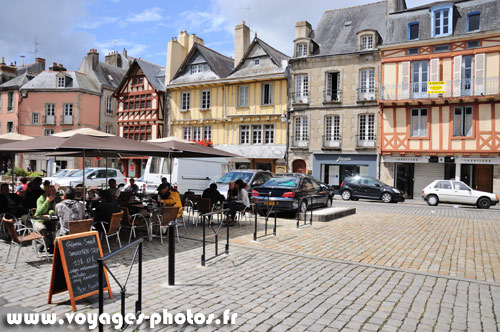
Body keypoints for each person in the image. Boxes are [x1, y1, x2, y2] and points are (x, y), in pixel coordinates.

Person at [33, 185, 62, 253]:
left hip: (53, 221)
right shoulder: (41, 199)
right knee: (41, 229)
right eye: (49, 191)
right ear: (46, 191)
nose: (51, 193)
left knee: (60, 228)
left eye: (53, 191)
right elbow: (39, 212)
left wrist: (51, 212)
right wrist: (47, 201)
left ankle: (47, 244)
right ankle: (49, 245)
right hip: (40, 220)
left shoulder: (57, 199)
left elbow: (58, 210)